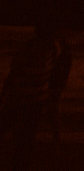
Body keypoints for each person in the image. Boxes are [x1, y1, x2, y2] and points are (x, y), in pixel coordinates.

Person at [0, 26, 72, 170]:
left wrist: (4, 95)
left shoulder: (33, 47)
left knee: (16, 135)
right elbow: (60, 73)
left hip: (21, 98)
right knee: (25, 140)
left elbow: (14, 72)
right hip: (34, 100)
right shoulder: (55, 48)